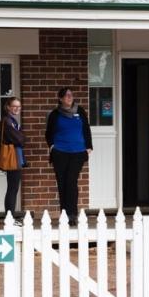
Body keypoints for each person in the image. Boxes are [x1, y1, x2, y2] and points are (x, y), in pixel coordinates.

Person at [44, 87, 92, 226]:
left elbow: (86, 128)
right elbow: (49, 133)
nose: (69, 97)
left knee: (71, 181)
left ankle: (72, 214)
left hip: (78, 151)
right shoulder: (54, 114)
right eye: (66, 95)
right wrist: (52, 146)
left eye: (71, 95)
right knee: (62, 183)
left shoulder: (80, 111)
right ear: (60, 98)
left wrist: (89, 146)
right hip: (60, 152)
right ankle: (64, 214)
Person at [0, 96, 26, 224]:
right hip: (13, 159)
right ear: (8, 107)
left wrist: (21, 137)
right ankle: (10, 218)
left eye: (19, 106)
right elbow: (20, 139)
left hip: (16, 157)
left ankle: (10, 216)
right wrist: (22, 137)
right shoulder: (7, 121)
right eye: (14, 106)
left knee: (13, 188)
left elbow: (20, 138)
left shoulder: (12, 121)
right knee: (12, 188)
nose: (17, 108)